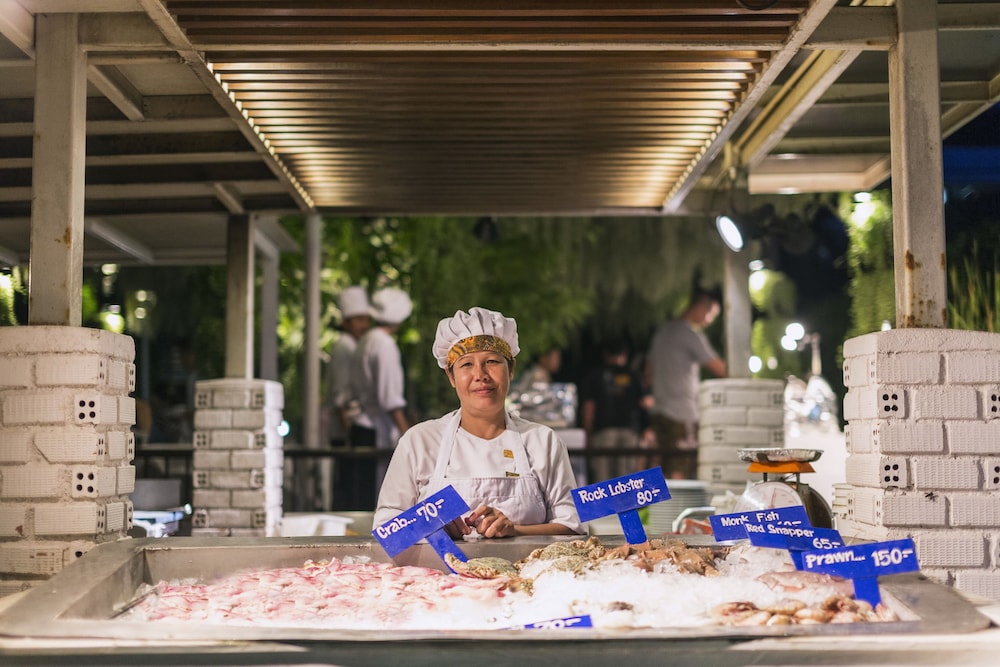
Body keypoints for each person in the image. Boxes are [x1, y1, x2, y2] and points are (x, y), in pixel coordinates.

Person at [374, 307, 583, 538]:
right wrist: (429, 526)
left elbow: (571, 524)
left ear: (511, 369)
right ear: (451, 376)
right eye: (466, 364)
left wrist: (515, 530)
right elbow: (386, 529)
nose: (480, 375)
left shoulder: (543, 441)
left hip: (525, 563)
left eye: (492, 361)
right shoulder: (420, 441)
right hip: (438, 564)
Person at [647, 288, 727, 479]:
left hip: (659, 409)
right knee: (681, 465)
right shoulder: (690, 334)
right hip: (682, 411)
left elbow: (648, 373)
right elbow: (720, 368)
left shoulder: (662, 332)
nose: (709, 321)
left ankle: (663, 500)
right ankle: (677, 500)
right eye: (710, 315)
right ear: (699, 308)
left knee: (663, 466)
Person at [348, 287, 413, 509]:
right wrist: (409, 435)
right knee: (375, 496)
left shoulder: (366, 340)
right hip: (375, 431)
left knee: (361, 493)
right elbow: (390, 399)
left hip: (362, 426)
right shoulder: (384, 344)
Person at [327, 286, 372, 510]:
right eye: (358, 320)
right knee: (348, 486)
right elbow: (340, 397)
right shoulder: (344, 348)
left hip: (353, 428)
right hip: (346, 431)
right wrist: (348, 434)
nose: (363, 325)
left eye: (366, 319)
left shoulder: (355, 346)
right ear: (345, 322)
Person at [579, 339, 646, 482]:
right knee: (627, 480)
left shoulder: (596, 375)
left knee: (603, 479)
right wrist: (644, 429)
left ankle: (606, 499)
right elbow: (642, 404)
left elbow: (589, 406)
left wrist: (588, 432)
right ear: (625, 354)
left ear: (606, 354)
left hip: (603, 432)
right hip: (629, 432)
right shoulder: (633, 376)